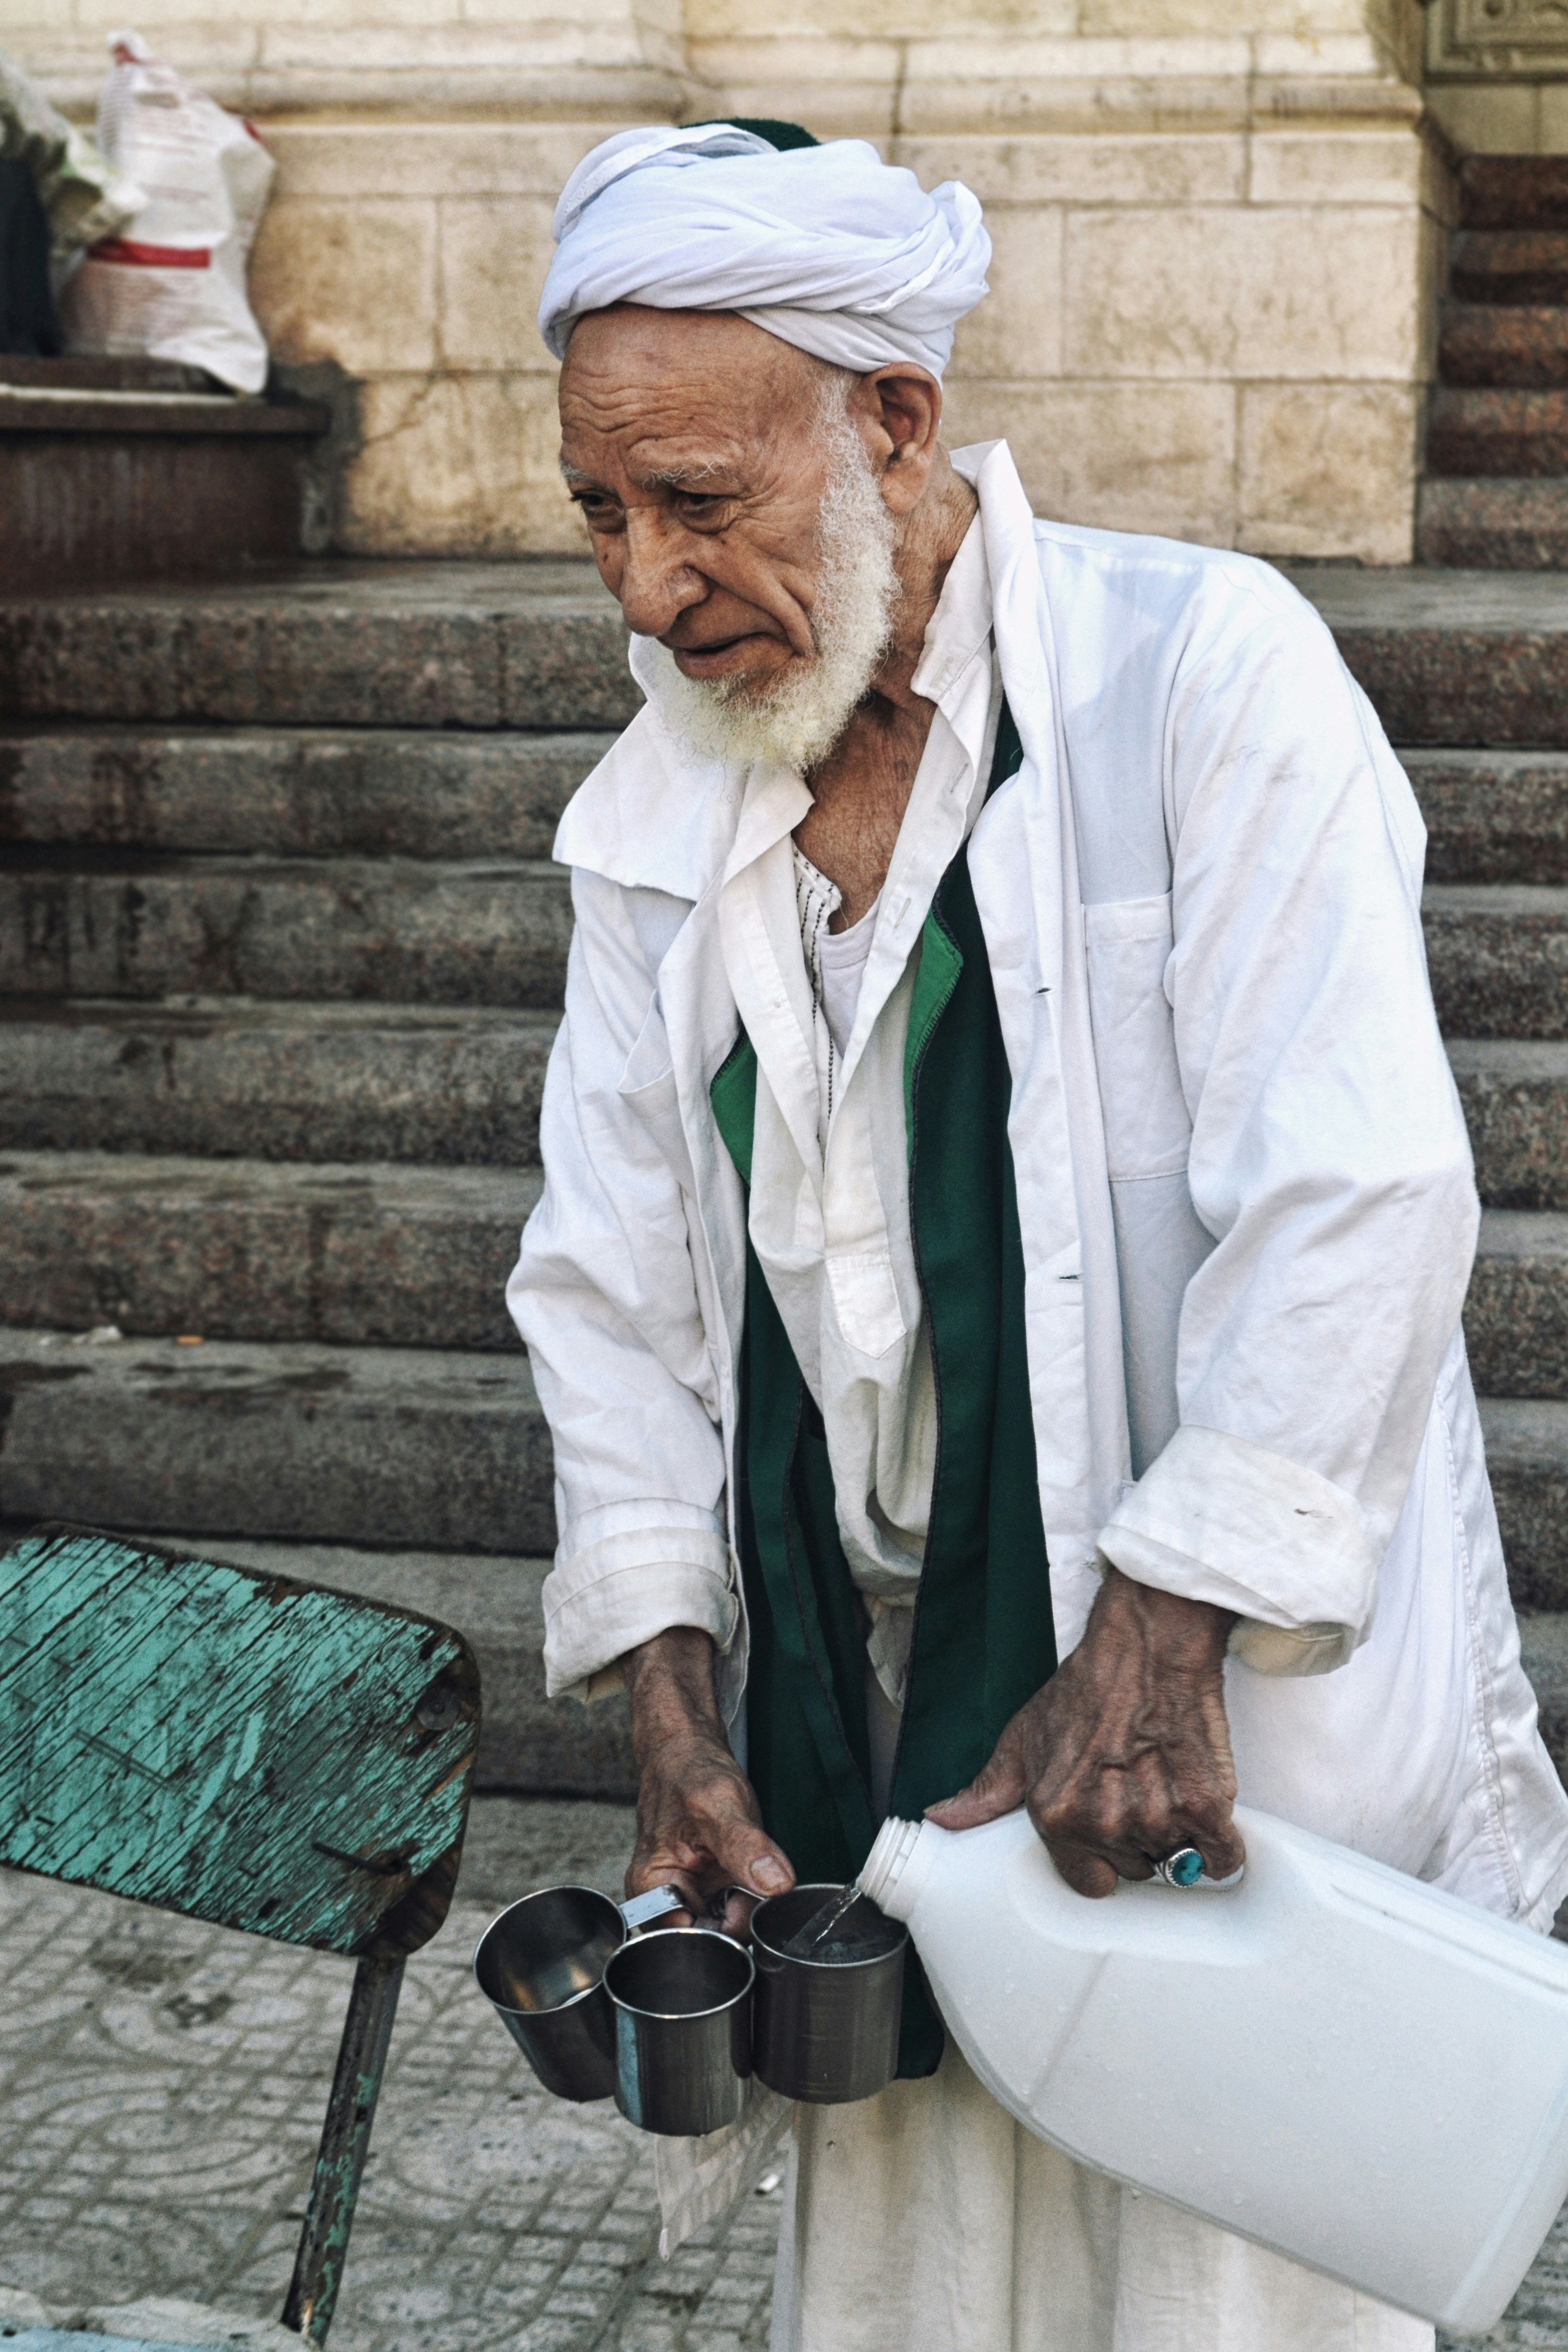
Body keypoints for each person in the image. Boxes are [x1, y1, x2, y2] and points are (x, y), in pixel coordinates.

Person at [509, 119, 1568, 2352]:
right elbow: (614, 1284)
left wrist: (1163, 1630)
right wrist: (679, 1713)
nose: (642, 584)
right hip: (873, 1718)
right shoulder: (657, 805)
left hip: (1187, 1707)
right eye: (603, 511)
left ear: (893, 417)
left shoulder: (1201, 675)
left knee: (1224, 2276)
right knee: (909, 2267)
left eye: (703, 501)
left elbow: (1360, 1183)